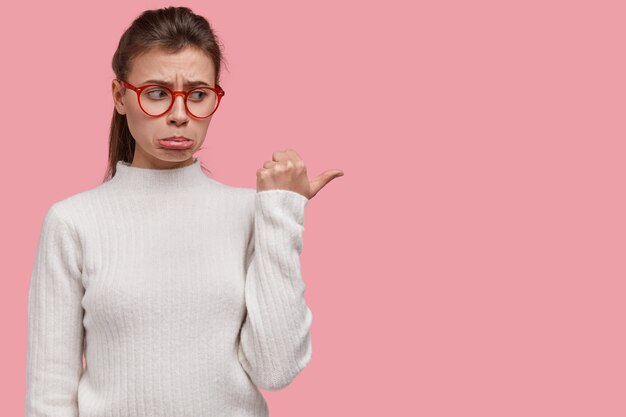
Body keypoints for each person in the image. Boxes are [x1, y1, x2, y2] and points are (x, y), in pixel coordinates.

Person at [24, 6, 344, 417]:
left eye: (197, 95)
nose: (179, 115)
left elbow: (276, 369)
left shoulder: (252, 212)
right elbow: (49, 392)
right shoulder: (73, 222)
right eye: (156, 93)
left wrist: (282, 212)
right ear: (121, 97)